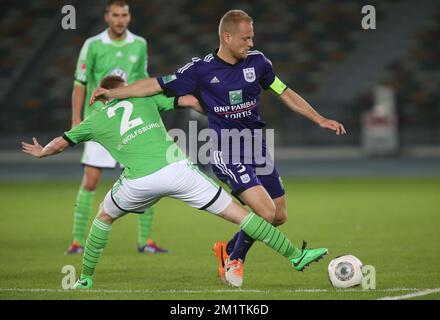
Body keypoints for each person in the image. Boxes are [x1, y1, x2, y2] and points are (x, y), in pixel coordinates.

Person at [90, 9, 345, 287]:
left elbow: (284, 92)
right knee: (265, 212)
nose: (251, 43)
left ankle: (227, 249)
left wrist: (319, 118)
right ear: (227, 37)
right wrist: (113, 93)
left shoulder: (259, 63)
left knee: (279, 215)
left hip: (257, 147)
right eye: (245, 39)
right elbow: (154, 85)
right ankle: (235, 259)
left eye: (252, 38)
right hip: (227, 150)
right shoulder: (200, 70)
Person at [22, 75, 328, 289]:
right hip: (179, 171)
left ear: (101, 96)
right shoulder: (145, 99)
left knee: (103, 215)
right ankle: (296, 256)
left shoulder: (95, 119)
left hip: (139, 182)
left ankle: (85, 278)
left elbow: (61, 143)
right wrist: (218, 113)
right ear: (125, 89)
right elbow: (190, 100)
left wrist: (41, 152)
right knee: (243, 215)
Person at [68, 0, 167, 254]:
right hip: (100, 121)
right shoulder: (93, 45)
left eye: (124, 15)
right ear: (107, 17)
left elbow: (142, 82)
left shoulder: (139, 44)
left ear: (129, 17)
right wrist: (76, 120)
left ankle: (145, 242)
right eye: (115, 15)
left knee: (147, 178)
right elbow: (80, 83)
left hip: (128, 122)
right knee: (90, 181)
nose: (120, 19)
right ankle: (78, 242)